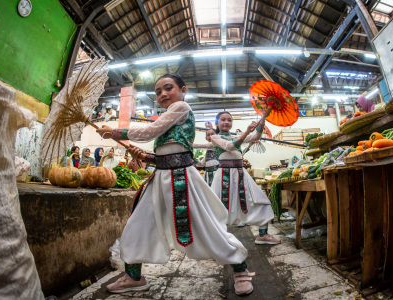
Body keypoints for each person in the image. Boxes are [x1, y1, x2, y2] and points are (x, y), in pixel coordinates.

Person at [96, 74, 252, 296]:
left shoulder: (181, 107)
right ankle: (133, 276)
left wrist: (115, 132)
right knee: (137, 225)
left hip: (183, 179)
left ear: (183, 90)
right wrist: (147, 156)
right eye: (158, 91)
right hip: (160, 178)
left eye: (168, 88)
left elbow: (150, 131)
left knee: (206, 228)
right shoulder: (169, 117)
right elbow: (168, 151)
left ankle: (241, 269)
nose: (162, 94)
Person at [210, 110, 281, 246]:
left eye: (229, 120)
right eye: (223, 120)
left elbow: (257, 136)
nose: (226, 122)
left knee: (261, 201)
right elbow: (230, 146)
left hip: (241, 175)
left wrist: (263, 118)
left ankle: (263, 235)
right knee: (217, 208)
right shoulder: (215, 138)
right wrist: (247, 132)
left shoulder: (236, 135)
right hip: (224, 176)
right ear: (217, 123)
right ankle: (218, 241)